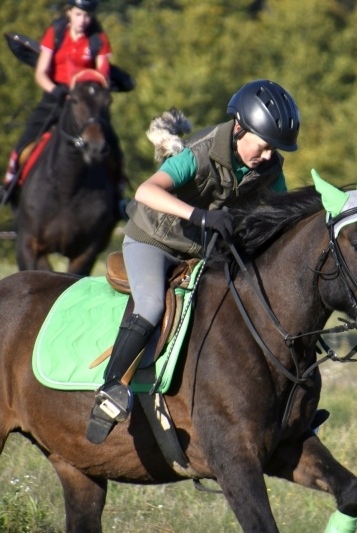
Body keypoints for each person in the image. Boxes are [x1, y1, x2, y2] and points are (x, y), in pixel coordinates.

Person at [86, 79, 301, 443]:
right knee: (152, 303)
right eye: (263, 147)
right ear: (239, 129)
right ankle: (110, 389)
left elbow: (278, 219)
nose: (267, 157)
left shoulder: (269, 170)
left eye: (273, 150)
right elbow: (146, 191)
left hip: (202, 251)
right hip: (153, 238)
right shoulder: (199, 151)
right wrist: (199, 217)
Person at [0, 0, 123, 208]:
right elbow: (40, 72)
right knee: (25, 141)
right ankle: (7, 186)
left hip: (85, 101)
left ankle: (118, 196)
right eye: (78, 14)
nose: (83, 20)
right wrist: (56, 90)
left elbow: (102, 76)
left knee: (111, 145)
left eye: (87, 16)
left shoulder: (98, 39)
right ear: (69, 13)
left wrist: (83, 89)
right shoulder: (56, 33)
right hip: (55, 96)